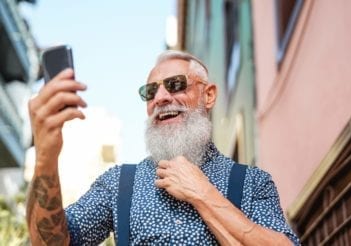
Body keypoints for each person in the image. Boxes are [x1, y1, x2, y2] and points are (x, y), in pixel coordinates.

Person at [26, 50, 300, 245]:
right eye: (150, 92)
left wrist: (202, 193)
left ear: (209, 95)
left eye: (175, 85)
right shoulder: (120, 183)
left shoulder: (253, 182)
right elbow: (50, 243)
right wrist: (45, 158)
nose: (161, 98)